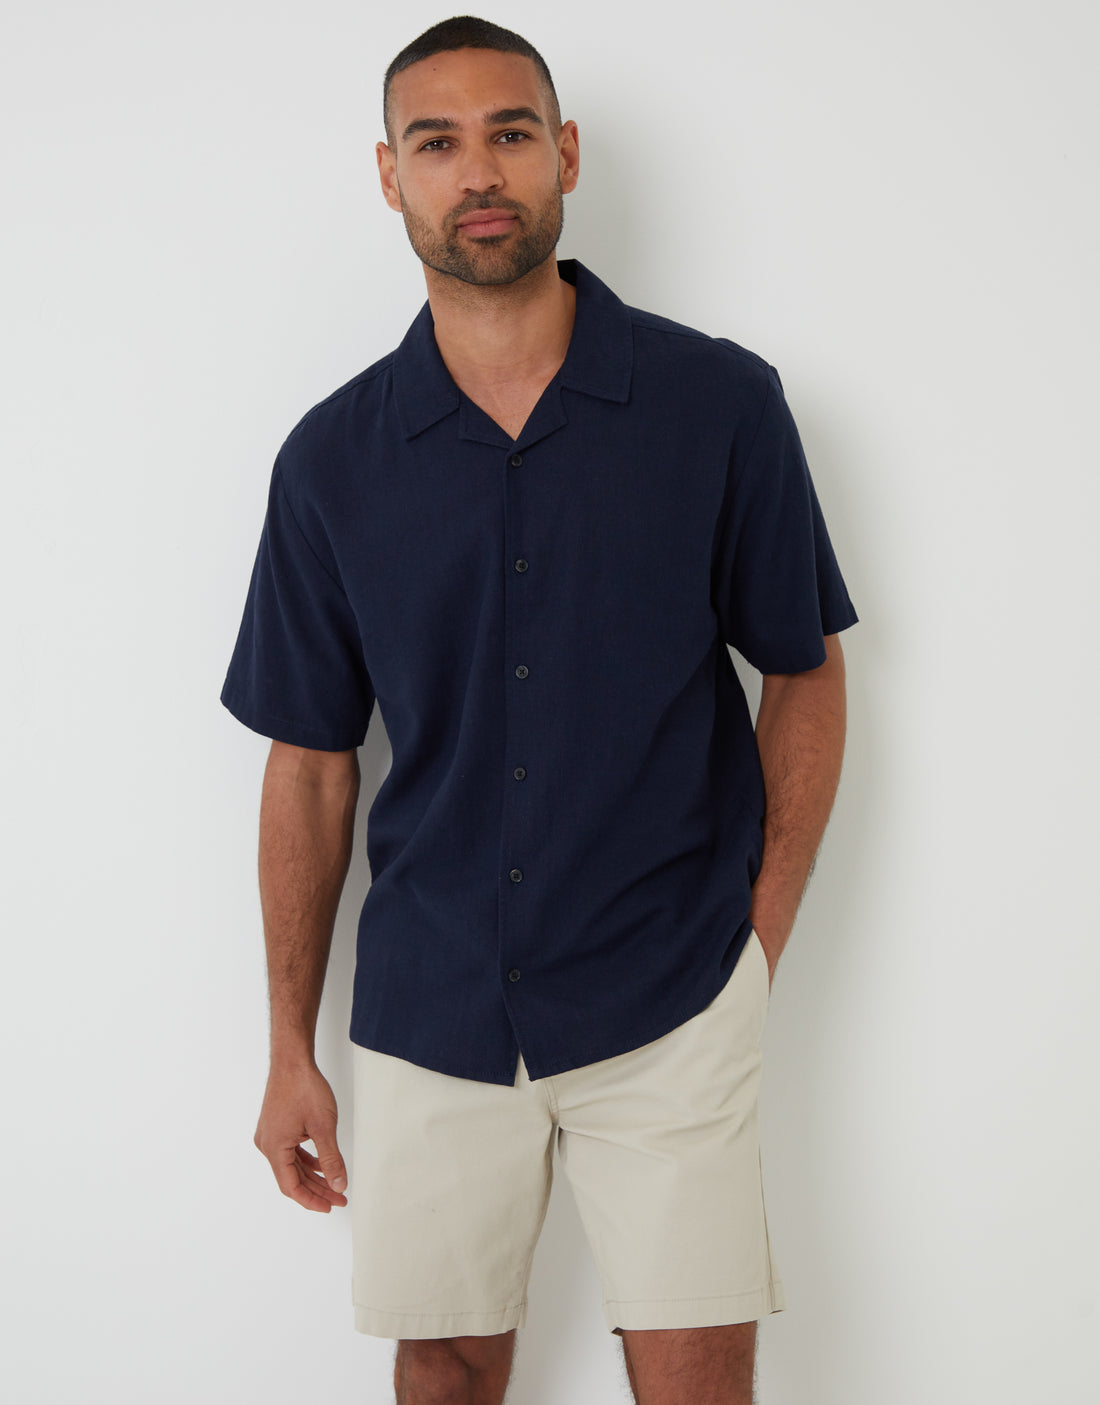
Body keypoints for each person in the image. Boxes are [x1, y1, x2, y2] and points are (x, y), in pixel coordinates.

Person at [220, 15, 858, 1404]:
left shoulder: (720, 405)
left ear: (563, 153)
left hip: (673, 990)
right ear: (389, 175)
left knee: (697, 1372)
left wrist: (755, 945)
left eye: (510, 132)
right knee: (445, 1370)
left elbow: (804, 670)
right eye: (436, 142)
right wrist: (286, 1048)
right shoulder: (331, 461)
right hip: (433, 1001)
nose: (479, 171)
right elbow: (310, 762)